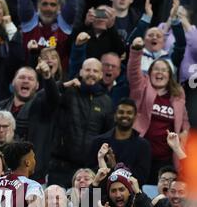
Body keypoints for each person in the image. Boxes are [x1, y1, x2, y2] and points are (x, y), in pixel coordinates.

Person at [127, 36, 190, 184]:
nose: (159, 72)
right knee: (137, 192)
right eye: (156, 69)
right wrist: (136, 51)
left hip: (166, 159)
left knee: (161, 196)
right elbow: (133, 72)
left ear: (169, 76)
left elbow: (184, 123)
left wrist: (183, 138)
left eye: (164, 70)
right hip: (140, 155)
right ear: (149, 73)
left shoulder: (177, 96)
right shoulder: (141, 87)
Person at [48, 57, 113, 188]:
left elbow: (108, 134)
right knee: (55, 205)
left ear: (101, 75)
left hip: (91, 169)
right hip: (61, 166)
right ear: (81, 72)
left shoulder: (107, 101)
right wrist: (63, 85)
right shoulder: (69, 92)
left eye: (95, 71)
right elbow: (48, 96)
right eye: (88, 70)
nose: (91, 73)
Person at [91, 98, 151, 186]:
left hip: (130, 195)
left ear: (135, 117)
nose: (125, 115)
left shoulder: (143, 146)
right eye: (121, 112)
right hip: (99, 191)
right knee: (87, 198)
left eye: (129, 113)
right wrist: (103, 165)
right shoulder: (98, 141)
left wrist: (115, 168)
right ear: (115, 115)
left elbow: (141, 178)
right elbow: (90, 174)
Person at [18, 0, 77, 70]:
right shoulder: (30, 20)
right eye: (44, 4)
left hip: (59, 78)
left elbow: (72, 2)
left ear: (59, 7)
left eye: (53, 5)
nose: (48, 8)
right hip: (31, 75)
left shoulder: (64, 22)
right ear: (38, 6)